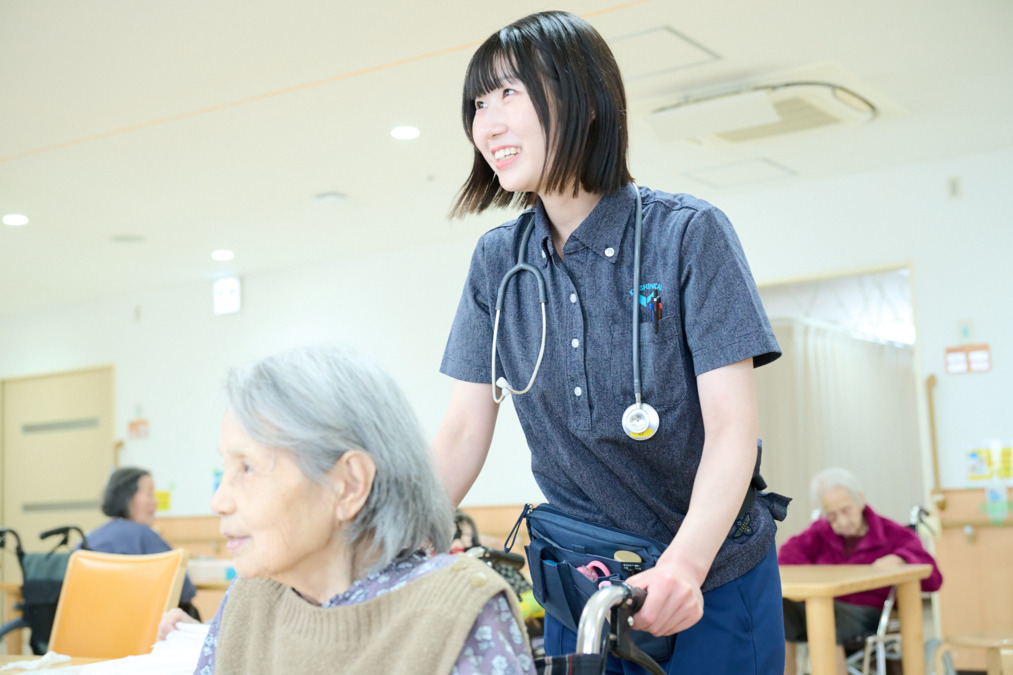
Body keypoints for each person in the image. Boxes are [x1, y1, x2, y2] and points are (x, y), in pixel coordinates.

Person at [434, 11, 789, 674]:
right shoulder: (496, 263)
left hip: (709, 571)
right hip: (586, 579)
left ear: (584, 100)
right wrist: (394, 540)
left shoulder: (687, 235)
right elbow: (460, 430)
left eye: (509, 93)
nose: (486, 123)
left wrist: (684, 561)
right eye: (478, 103)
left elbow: (732, 428)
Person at [159, 344, 534, 675]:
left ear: (349, 484)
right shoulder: (250, 597)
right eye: (225, 467)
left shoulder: (457, 610)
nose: (218, 501)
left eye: (247, 467)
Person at [778, 467, 943, 675]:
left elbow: (934, 579)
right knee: (778, 610)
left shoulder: (892, 534)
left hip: (867, 615)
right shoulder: (818, 534)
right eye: (832, 515)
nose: (842, 521)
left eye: (846, 510)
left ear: (860, 500)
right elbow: (786, 557)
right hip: (819, 607)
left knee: (827, 614)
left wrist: (901, 559)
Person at [86, 467, 199, 617]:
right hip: (144, 627)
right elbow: (184, 591)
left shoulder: (91, 537)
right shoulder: (143, 535)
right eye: (149, 494)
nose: (156, 502)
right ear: (127, 497)